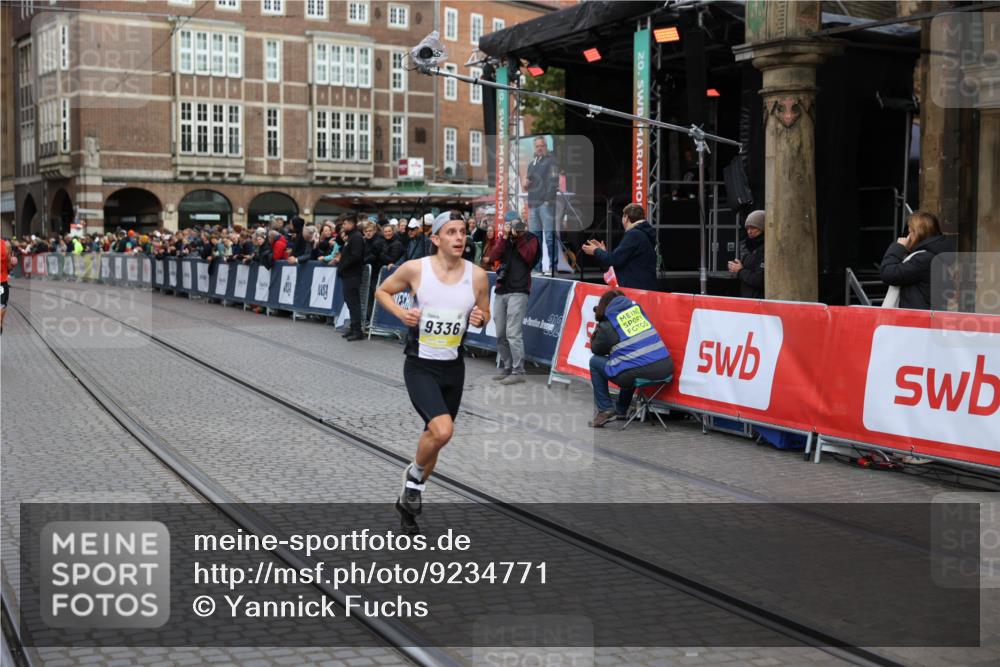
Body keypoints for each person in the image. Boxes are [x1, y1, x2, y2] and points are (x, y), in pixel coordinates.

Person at [374, 212, 490, 534]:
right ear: (436, 239)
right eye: (451, 232)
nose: (459, 237)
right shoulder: (416, 269)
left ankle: (408, 502)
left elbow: (484, 312)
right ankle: (413, 478)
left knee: (435, 438)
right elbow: (382, 291)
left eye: (462, 231)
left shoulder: (478, 276)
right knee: (443, 430)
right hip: (420, 365)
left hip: (453, 367)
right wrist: (402, 314)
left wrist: (481, 318)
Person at [588, 289, 674, 427]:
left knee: (595, 362)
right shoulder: (638, 313)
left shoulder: (609, 323)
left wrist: (600, 326)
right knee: (628, 360)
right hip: (665, 368)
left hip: (639, 371)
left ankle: (605, 409)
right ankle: (621, 410)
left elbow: (596, 349)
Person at [488, 217, 540, 385]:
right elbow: (493, 256)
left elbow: (529, 257)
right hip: (501, 290)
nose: (515, 229)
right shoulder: (506, 239)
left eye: (519, 225)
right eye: (512, 225)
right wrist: (504, 238)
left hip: (519, 290)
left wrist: (520, 237)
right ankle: (507, 366)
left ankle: (519, 371)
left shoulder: (531, 238)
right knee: (500, 333)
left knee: (513, 333)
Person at [880, 210, 953, 310]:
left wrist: (898, 247)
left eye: (909, 232)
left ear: (916, 233)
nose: (907, 236)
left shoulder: (924, 259)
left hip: (916, 316)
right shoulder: (934, 254)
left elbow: (889, 273)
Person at [581, 203, 657, 291]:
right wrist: (603, 251)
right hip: (645, 287)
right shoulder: (644, 234)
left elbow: (614, 260)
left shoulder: (634, 234)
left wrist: (596, 251)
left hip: (636, 289)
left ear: (626, 218)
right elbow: (621, 259)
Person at [523, 136, 559, 272]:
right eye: (537, 146)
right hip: (533, 204)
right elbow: (528, 183)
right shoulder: (531, 164)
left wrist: (547, 200)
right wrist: (526, 185)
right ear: (534, 147)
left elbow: (554, 181)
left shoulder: (551, 161)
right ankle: (537, 268)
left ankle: (553, 268)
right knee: (534, 239)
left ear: (546, 146)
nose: (539, 148)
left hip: (545, 203)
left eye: (542, 146)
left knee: (549, 237)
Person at [335, 214, 366, 341]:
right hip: (348, 275)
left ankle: (357, 331)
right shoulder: (351, 237)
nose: (343, 226)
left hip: (352, 275)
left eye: (345, 223)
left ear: (352, 224)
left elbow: (355, 256)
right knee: (350, 303)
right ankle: (353, 328)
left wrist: (343, 266)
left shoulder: (356, 237)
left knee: (354, 303)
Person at [728, 209, 765, 299]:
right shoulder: (749, 247)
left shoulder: (766, 249)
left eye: (753, 227)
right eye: (747, 228)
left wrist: (740, 271)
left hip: (759, 301)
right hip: (748, 300)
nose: (749, 231)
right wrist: (736, 269)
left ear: (762, 228)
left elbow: (760, 280)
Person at [1, 237, 17, 334]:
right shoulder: (6, 245)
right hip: (2, 281)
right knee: (2, 304)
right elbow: (9, 266)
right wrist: (12, 264)